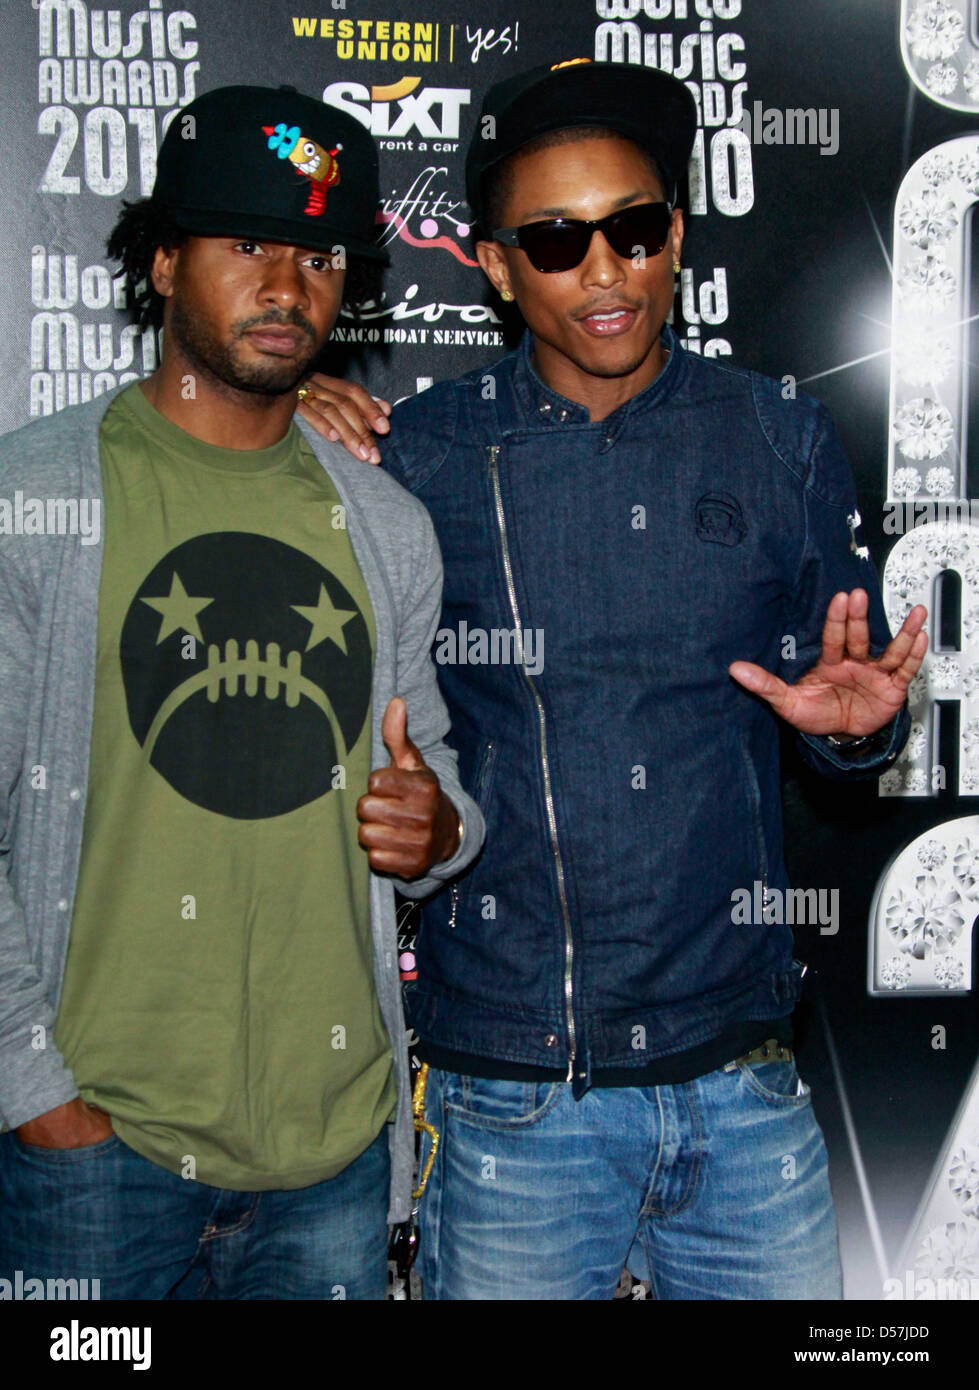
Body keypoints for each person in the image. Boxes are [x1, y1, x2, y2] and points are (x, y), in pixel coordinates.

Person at [297, 59, 927, 1301]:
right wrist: (286, 413)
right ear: (493, 264)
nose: (605, 270)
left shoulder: (778, 435)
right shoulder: (415, 456)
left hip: (745, 1089)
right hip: (513, 1102)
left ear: (675, 236)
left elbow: (829, 724)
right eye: (555, 239)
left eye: (635, 229)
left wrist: (854, 732)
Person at [0, 84, 483, 1301]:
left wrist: (436, 828)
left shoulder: (385, 525)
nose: (288, 285)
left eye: (320, 255)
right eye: (247, 244)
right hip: (96, 1162)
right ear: (163, 260)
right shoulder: (39, 499)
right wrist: (37, 1094)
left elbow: (430, 793)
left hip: (327, 1157)